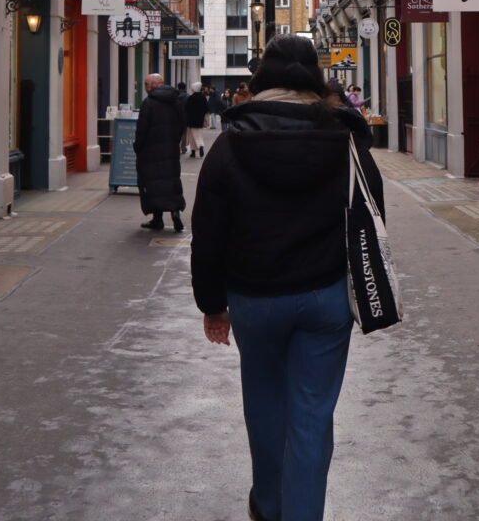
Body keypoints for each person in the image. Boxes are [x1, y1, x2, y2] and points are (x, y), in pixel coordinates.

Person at [190, 35, 385, 521]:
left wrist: (212, 303)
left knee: (265, 406)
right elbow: (373, 211)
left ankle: (270, 506)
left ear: (261, 80)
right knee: (312, 415)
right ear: (315, 79)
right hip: (325, 298)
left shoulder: (230, 143)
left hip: (255, 299)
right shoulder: (344, 138)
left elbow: (208, 232)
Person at [133, 74, 185, 232]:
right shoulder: (175, 101)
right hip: (170, 150)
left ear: (153, 85)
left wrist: (138, 147)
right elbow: (183, 123)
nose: (145, 87)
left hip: (151, 151)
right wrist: (174, 141)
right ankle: (175, 212)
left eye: (146, 84)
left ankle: (158, 219)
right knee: (171, 181)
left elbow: (142, 129)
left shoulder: (148, 103)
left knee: (153, 183)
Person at [185, 81, 208, 157]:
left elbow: (187, 109)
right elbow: (206, 109)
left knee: (191, 136)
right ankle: (200, 146)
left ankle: (193, 152)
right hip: (200, 120)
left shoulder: (190, 98)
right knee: (199, 135)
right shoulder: (203, 97)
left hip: (191, 120)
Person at [176, 81, 188, 154]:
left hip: (176, 116)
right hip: (185, 117)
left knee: (176, 133)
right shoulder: (188, 96)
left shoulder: (174, 95)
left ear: (178, 87)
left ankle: (176, 147)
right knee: (184, 133)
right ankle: (183, 148)